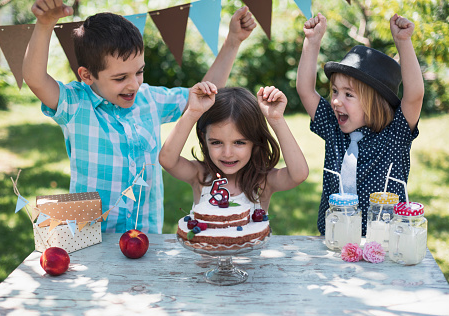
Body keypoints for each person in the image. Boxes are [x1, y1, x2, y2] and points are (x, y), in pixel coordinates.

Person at [23, 0, 257, 233]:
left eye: (139, 71)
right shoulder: (75, 104)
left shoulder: (149, 99)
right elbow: (35, 79)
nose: (133, 84)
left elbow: (206, 94)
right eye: (120, 78)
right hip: (89, 237)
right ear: (87, 75)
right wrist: (45, 24)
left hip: (144, 234)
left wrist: (232, 42)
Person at [296, 13, 424, 235]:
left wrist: (403, 42)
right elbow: (306, 90)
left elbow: (414, 96)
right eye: (335, 91)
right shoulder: (333, 129)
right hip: (335, 239)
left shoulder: (395, 134)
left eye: (348, 95)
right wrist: (312, 42)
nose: (336, 101)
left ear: (374, 102)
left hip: (385, 243)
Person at [159, 82, 309, 216]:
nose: (227, 153)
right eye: (216, 142)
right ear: (204, 138)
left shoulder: (263, 182)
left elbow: (299, 174)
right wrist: (192, 113)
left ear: (255, 142)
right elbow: (167, 160)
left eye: (239, 142)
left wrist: (277, 120)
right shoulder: (200, 175)